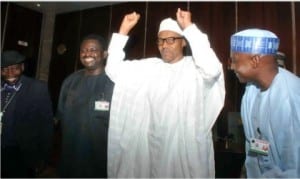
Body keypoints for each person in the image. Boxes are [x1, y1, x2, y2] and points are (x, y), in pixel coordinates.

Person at [105, 8, 225, 177]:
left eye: (170, 40)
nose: (164, 46)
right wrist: (123, 31)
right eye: (160, 41)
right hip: (148, 152)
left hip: (183, 156)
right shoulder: (149, 67)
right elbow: (113, 70)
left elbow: (213, 69)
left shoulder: (196, 69)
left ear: (184, 42)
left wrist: (189, 28)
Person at [230, 28, 300, 177]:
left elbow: (294, 166)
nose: (232, 67)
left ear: (255, 60)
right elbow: (256, 144)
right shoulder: (251, 91)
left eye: (235, 60)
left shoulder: (289, 96)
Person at [56, 34, 114, 177]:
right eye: (83, 50)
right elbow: (60, 115)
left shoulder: (114, 83)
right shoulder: (70, 81)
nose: (87, 53)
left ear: (104, 54)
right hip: (70, 157)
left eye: (93, 49)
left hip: (100, 161)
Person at [1, 50, 54, 177]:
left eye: (14, 68)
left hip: (23, 152)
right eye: (4, 69)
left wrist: (43, 158)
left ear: (22, 67)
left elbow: (46, 125)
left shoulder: (37, 88)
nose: (10, 73)